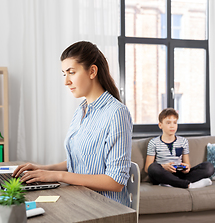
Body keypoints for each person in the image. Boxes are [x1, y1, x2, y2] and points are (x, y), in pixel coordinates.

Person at [13, 41, 133, 206]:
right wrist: (44, 169)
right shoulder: (81, 110)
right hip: (79, 198)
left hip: (105, 207)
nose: (66, 81)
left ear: (92, 71)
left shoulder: (116, 113)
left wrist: (57, 176)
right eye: (64, 74)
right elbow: (79, 161)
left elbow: (115, 182)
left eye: (71, 72)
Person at [144, 108, 214, 188]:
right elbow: (147, 168)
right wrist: (164, 167)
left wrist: (186, 168)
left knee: (209, 167)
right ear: (160, 125)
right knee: (153, 168)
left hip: (179, 174)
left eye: (175, 122)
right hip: (162, 174)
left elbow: (187, 164)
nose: (172, 126)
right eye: (168, 123)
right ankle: (186, 185)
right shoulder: (153, 143)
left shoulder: (183, 141)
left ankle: (172, 183)